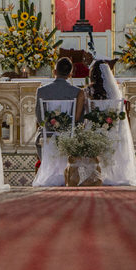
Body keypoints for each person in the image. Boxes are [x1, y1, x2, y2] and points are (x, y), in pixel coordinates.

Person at [86, 61, 136, 187]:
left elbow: (87, 111)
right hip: (112, 131)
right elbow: (117, 114)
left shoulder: (88, 90)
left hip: (93, 130)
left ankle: (93, 174)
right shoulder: (114, 92)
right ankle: (115, 174)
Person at [32, 58, 85, 187]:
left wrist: (51, 128)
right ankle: (69, 174)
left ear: (54, 71)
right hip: (69, 134)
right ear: (70, 74)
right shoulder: (77, 92)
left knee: (40, 136)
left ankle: (48, 172)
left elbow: (39, 117)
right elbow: (79, 120)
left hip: (48, 135)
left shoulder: (42, 91)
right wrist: (67, 128)